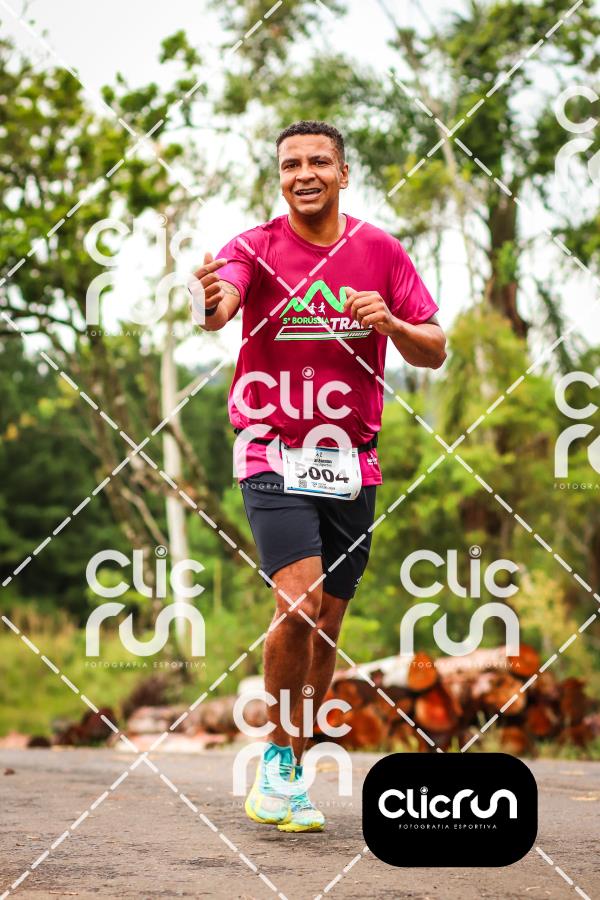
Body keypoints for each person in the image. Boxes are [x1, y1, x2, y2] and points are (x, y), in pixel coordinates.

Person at [193, 120, 446, 833]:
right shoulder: (253, 247)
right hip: (270, 446)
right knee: (299, 606)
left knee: (328, 625)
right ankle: (277, 759)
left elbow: (434, 347)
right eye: (290, 164)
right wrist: (209, 299)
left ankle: (295, 769)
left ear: (342, 173)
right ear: (279, 177)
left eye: (318, 162)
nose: (303, 173)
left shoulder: (379, 250)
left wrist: (391, 323)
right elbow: (222, 306)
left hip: (351, 458)